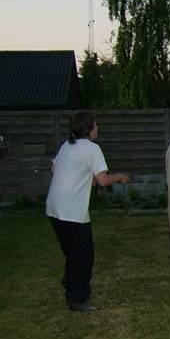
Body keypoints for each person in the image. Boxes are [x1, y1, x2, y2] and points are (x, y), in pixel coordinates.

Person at [46, 111, 130, 312]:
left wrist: (86, 178)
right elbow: (102, 180)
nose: (98, 128)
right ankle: (77, 298)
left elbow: (55, 170)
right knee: (84, 256)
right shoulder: (93, 149)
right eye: (95, 124)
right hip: (72, 211)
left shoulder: (67, 146)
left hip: (53, 208)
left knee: (72, 252)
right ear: (88, 128)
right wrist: (119, 177)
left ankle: (70, 280)